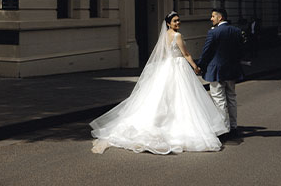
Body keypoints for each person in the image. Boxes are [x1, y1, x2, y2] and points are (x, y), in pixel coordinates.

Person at [90, 11, 227, 154]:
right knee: (182, 97)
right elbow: (186, 54)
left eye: (178, 20)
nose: (178, 23)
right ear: (168, 23)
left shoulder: (165, 36)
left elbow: (163, 54)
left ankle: (162, 122)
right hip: (178, 67)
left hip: (167, 66)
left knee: (165, 97)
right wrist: (196, 67)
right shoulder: (177, 35)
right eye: (175, 21)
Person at [196, 8, 244, 137]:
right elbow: (241, 49)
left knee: (219, 99)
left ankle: (223, 129)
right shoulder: (236, 31)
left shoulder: (214, 32)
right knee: (232, 98)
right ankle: (234, 127)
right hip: (232, 69)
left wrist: (199, 65)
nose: (211, 19)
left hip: (216, 70)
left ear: (220, 18)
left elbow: (206, 51)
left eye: (213, 16)